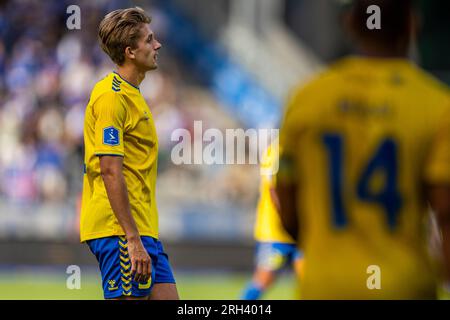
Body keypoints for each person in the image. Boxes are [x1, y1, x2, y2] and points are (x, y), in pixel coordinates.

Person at [275, 0, 450, 299]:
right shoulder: (435, 104)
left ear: (349, 25)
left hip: (325, 285)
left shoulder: (307, 97)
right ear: (412, 26)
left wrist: (322, 246)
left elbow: (285, 198)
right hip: (403, 285)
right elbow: (445, 211)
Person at [80, 7, 179, 300]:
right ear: (130, 52)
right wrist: (132, 239)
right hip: (120, 231)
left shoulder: (133, 93)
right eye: (149, 40)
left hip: (142, 227)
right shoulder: (111, 97)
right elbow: (110, 169)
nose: (157, 45)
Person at [241, 143, 303, 300]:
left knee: (309, 281)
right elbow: (275, 191)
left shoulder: (302, 149)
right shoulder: (276, 152)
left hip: (301, 233)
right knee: (262, 280)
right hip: (275, 232)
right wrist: (292, 221)